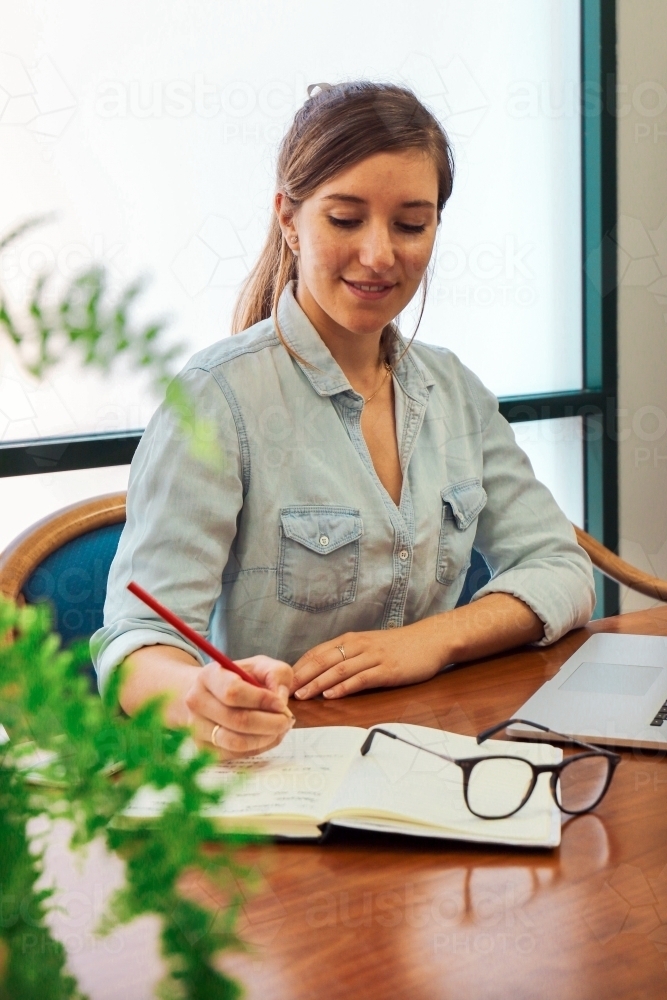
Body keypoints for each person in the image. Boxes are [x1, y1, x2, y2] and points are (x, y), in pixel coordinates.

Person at [92, 81, 595, 759]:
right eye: (345, 218)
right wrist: (197, 698)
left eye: (410, 224)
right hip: (279, 772)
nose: (380, 254)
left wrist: (429, 641)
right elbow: (135, 642)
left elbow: (560, 567)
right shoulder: (218, 398)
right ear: (288, 220)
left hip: (434, 757)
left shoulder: (455, 391)